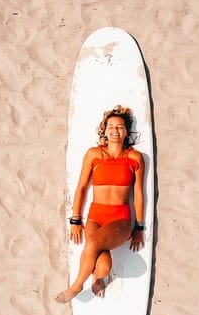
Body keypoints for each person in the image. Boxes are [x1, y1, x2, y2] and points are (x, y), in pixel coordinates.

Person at [54, 105, 145, 303]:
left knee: (93, 243)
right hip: (96, 217)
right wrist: (76, 220)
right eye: (111, 126)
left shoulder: (134, 158)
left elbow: (138, 194)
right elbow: (82, 188)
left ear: (126, 131)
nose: (115, 130)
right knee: (103, 267)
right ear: (104, 130)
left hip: (120, 220)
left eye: (120, 126)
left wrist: (139, 227)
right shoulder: (94, 155)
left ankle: (76, 287)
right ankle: (97, 277)